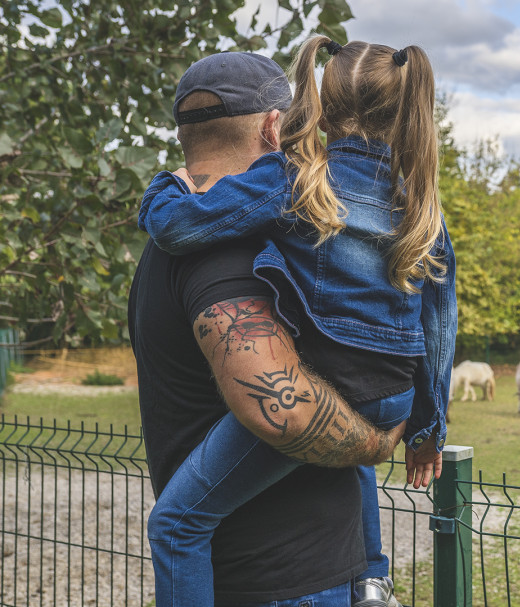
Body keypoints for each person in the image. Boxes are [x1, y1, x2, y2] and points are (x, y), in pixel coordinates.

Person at [138, 38, 457, 607]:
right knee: (358, 439)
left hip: (332, 393)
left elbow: (181, 226)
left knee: (176, 524)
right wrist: (425, 428)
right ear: (273, 126)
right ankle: (374, 579)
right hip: (391, 394)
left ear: (318, 110)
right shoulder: (420, 205)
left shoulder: (300, 185)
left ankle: (371, 579)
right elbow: (439, 330)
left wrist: (167, 188)